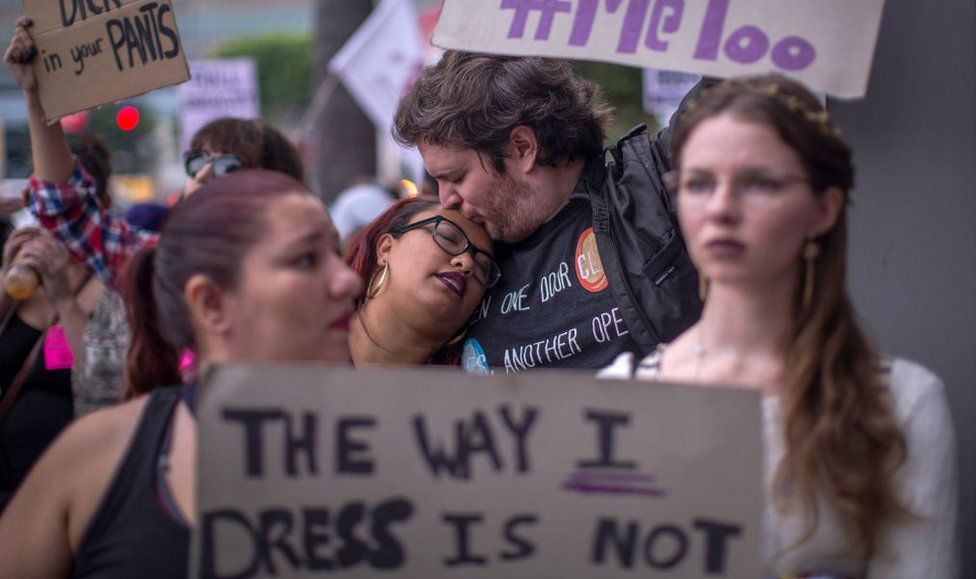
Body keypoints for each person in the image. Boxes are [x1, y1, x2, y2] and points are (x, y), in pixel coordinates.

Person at [600, 75, 958, 577]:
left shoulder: (900, 406)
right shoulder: (619, 398)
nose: (721, 209)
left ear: (822, 209)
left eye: (759, 182)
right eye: (699, 183)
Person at [0, 170, 361, 577]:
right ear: (210, 303)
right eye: (307, 259)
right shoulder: (99, 456)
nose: (349, 279)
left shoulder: (406, 444)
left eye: (337, 252)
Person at [394, 51, 702, 375]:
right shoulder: (460, 255)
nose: (446, 200)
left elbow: (743, 78)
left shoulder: (653, 190)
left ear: (523, 148)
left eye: (456, 178)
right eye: (437, 182)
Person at [3, 16, 305, 290]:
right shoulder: (164, 265)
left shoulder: (306, 276)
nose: (203, 174)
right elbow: (63, 206)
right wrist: (36, 96)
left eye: (229, 167)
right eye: (197, 160)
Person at [0, 227, 102, 511]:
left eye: (60, 212)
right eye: (39, 210)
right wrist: (7, 275)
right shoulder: (23, 280)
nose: (49, 226)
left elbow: (99, 375)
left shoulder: (111, 285)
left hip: (67, 476)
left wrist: (64, 300)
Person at [344, 196, 499, 366]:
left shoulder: (471, 390)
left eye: (482, 267)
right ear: (385, 248)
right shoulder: (313, 347)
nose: (467, 263)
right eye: (447, 237)